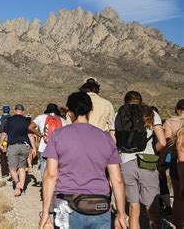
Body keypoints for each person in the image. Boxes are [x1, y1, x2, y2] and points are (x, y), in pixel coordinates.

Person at [39, 91, 126, 229]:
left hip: (67, 207)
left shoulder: (58, 136)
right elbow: (117, 180)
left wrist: (45, 213)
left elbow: (50, 175)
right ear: (91, 110)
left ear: (69, 112)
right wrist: (121, 214)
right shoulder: (106, 138)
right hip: (100, 207)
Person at [110, 91, 166, 229]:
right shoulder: (151, 114)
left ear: (125, 102)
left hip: (125, 162)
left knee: (133, 208)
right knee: (151, 208)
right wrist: (153, 151)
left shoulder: (117, 115)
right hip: (147, 161)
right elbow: (163, 142)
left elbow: (112, 144)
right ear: (141, 101)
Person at [0, 104, 42, 196]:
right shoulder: (27, 120)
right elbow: (30, 135)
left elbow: (4, 133)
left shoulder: (9, 120)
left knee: (12, 168)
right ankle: (22, 188)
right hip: (24, 146)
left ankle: (17, 183)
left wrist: (0, 144)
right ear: (23, 111)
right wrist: (34, 148)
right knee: (22, 168)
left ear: (14, 111)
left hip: (13, 146)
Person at [33, 103, 67, 186]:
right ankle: (55, 186)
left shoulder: (40, 117)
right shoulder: (63, 120)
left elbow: (30, 127)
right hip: (58, 148)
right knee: (57, 166)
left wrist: (40, 134)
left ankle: (45, 185)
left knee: (44, 164)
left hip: (44, 147)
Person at [163, 99, 184, 228]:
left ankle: (178, 225)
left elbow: (166, 144)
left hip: (175, 158)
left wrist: (162, 162)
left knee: (178, 196)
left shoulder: (170, 122)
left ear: (177, 109)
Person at [0, 105, 11, 177]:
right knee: (12, 154)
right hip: (11, 139)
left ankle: (4, 173)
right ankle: (13, 170)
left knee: (3, 155)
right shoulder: (12, 118)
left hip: (3, 139)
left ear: (3, 111)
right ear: (9, 111)